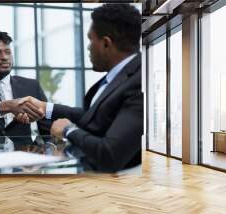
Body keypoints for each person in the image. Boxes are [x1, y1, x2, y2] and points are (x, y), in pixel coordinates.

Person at [17, 4, 143, 172]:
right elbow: (93, 117)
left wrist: (69, 131)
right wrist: (45, 107)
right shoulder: (117, 78)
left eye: (91, 39)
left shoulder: (138, 81)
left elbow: (111, 154)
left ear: (106, 44)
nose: (88, 47)